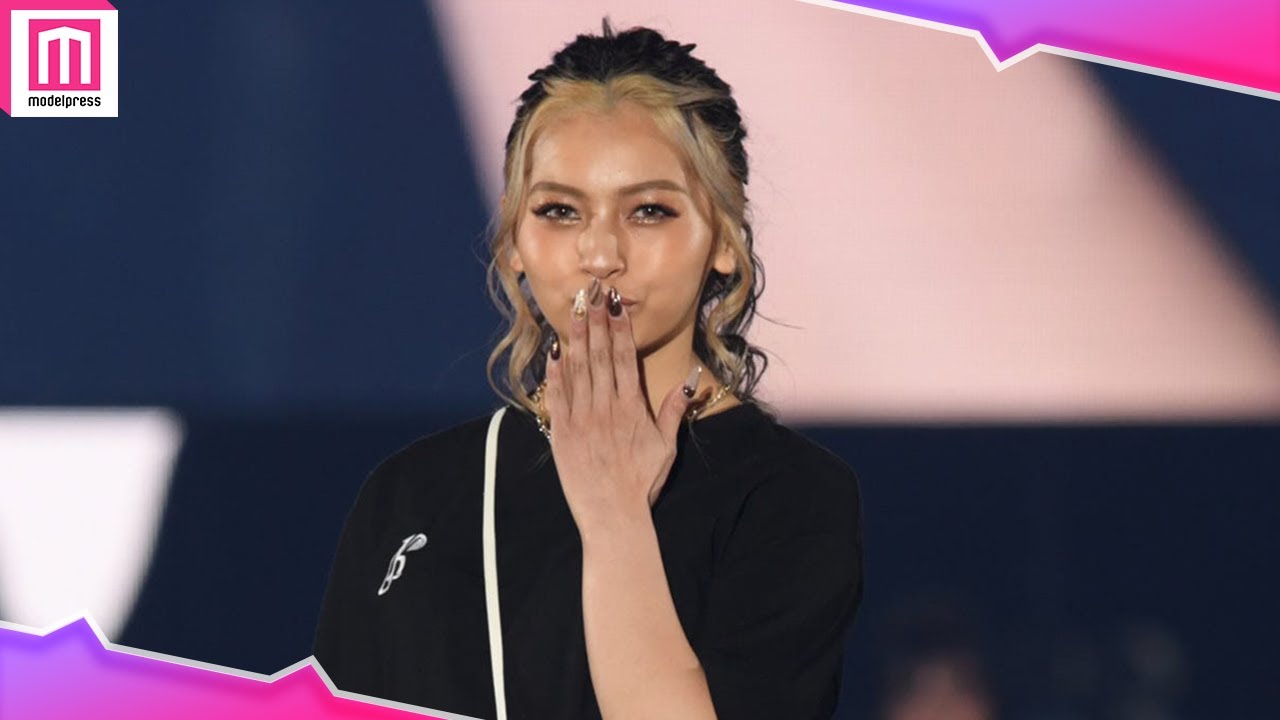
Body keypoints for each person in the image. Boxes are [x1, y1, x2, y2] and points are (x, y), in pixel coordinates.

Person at [313, 18, 863, 720]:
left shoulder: (789, 496)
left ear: (724, 239)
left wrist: (613, 517)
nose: (601, 255)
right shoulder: (409, 495)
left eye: (649, 211)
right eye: (560, 211)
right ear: (513, 241)